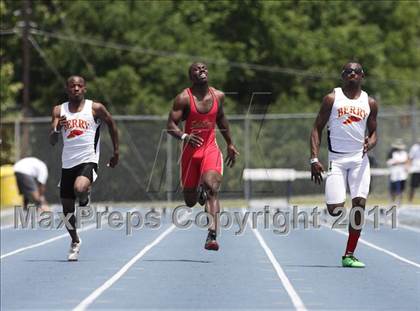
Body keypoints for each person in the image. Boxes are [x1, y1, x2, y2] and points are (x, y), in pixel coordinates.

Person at [310, 62, 378, 268]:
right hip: (336, 161)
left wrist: (371, 142)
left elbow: (374, 133)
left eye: (356, 72)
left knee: (359, 204)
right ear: (342, 76)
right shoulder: (332, 99)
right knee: (335, 210)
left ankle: (349, 254)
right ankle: (340, 207)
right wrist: (314, 158)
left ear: (362, 76)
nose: (352, 74)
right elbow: (316, 129)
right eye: (348, 71)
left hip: (359, 160)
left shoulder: (370, 102)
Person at [167, 62, 239, 251]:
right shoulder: (183, 98)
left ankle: (212, 234)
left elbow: (221, 119)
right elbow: (171, 125)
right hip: (190, 153)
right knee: (190, 202)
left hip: (210, 149)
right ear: (191, 77)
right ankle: (199, 191)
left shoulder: (218, 96)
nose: (202, 70)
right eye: (196, 69)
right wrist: (184, 136)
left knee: (212, 187)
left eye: (204, 68)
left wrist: (230, 143)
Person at [49, 75, 119, 261]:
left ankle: (85, 193)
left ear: (85, 89)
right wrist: (57, 129)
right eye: (72, 86)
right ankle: (75, 240)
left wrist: (116, 152)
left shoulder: (95, 108)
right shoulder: (59, 110)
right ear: (67, 89)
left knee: (79, 187)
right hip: (68, 164)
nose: (76, 89)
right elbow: (52, 140)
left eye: (80, 86)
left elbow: (112, 125)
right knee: (67, 210)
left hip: (88, 159)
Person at [386, 139, 409, 205]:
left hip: (402, 174)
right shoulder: (392, 153)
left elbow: (406, 161)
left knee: (401, 189)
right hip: (394, 173)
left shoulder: (404, 153)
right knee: (393, 189)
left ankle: (399, 201)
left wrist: (401, 163)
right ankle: (392, 201)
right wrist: (398, 162)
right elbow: (390, 162)